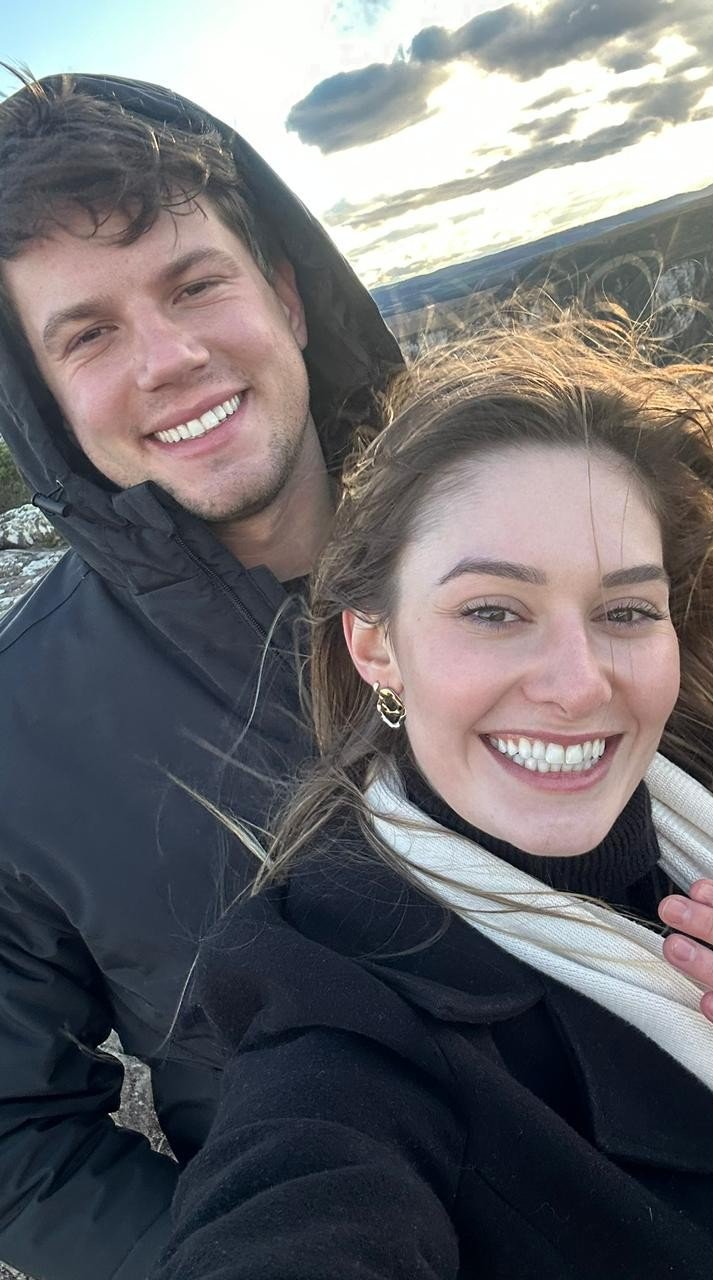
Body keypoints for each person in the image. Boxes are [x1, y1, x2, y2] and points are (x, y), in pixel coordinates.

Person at [151, 316, 713, 1280]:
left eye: (625, 611)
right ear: (375, 645)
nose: (577, 685)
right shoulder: (345, 1027)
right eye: (493, 611)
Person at [0, 70, 401, 1280]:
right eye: (88, 334)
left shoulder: (541, 529)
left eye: (195, 284)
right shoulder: (24, 732)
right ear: (45, 401)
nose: (170, 358)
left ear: (286, 292)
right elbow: (16, 1133)